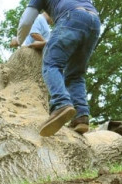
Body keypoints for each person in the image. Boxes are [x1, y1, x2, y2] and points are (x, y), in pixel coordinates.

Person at [11, 0, 101, 137]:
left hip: (71, 16)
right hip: (94, 21)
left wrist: (20, 40)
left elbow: (26, 22)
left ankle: (61, 104)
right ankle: (81, 116)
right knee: (75, 74)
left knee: (51, 63)